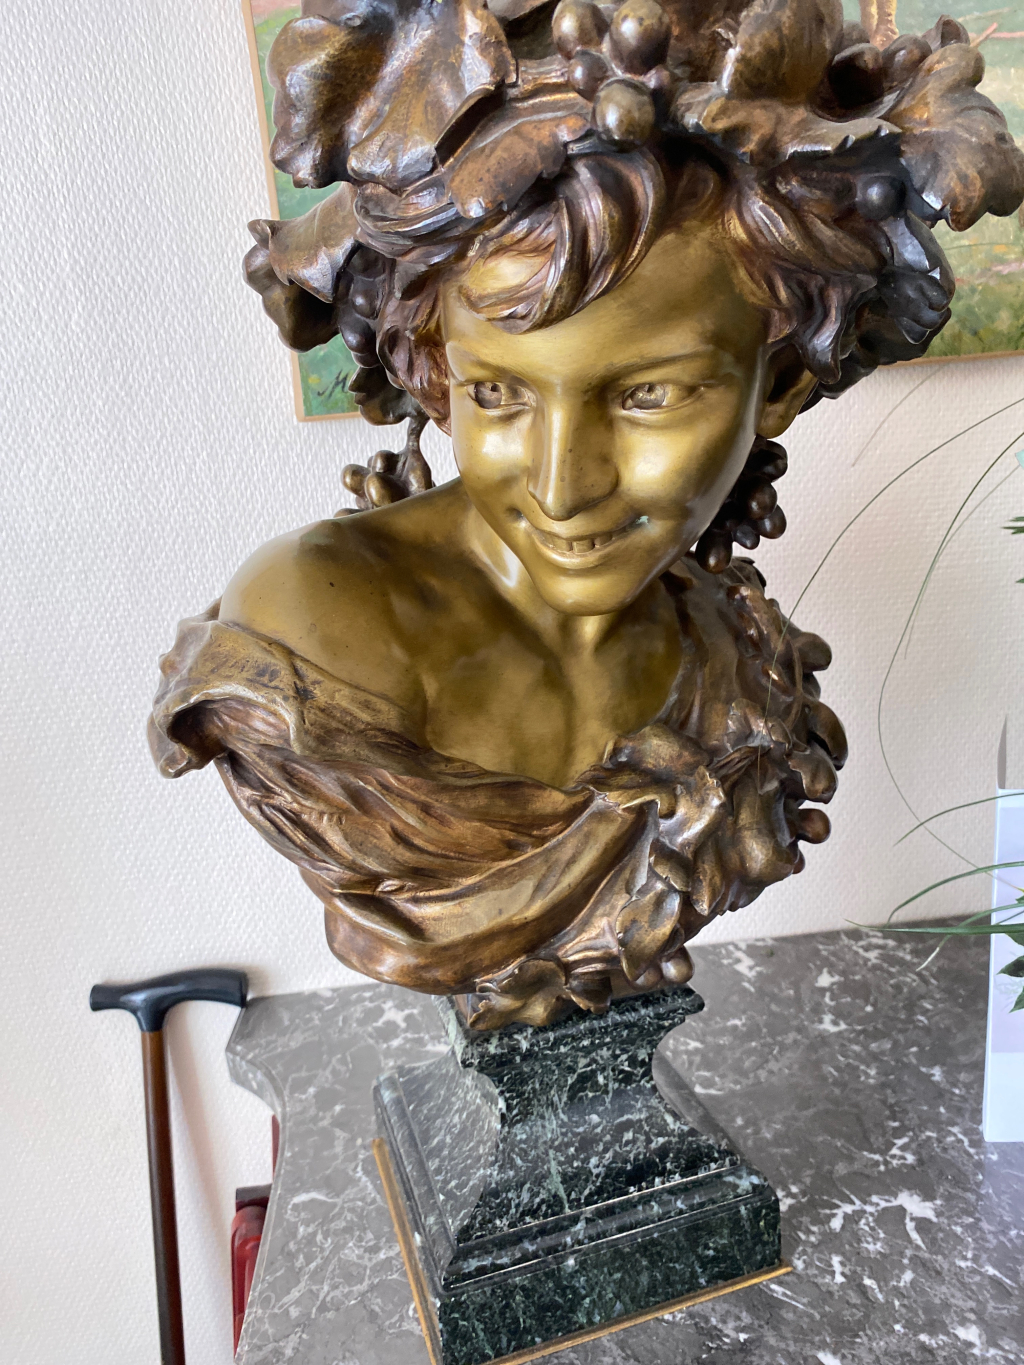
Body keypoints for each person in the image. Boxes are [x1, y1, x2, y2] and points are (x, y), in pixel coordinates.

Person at [150, 0, 1023, 1027]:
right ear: (433, 368)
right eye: (497, 393)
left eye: (649, 394)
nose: (563, 486)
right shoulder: (308, 645)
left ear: (782, 380)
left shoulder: (743, 676)